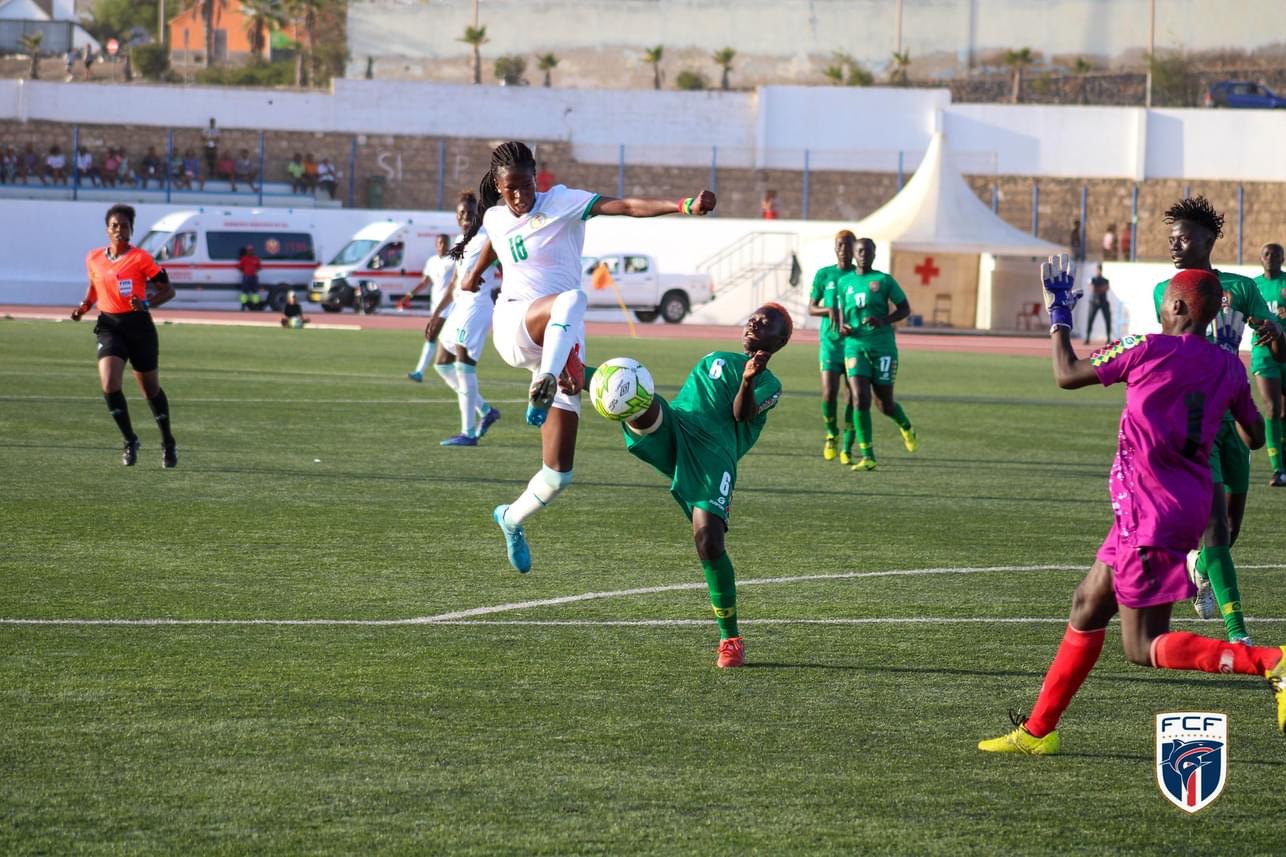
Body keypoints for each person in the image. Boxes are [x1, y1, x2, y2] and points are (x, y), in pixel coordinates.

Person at [978, 262, 1285, 755]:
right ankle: (1039, 731)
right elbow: (1251, 437)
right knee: (1087, 604)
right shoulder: (1229, 366)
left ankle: (1271, 663)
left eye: (1166, 300)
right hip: (1170, 505)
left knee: (1142, 646)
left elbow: (1066, 374)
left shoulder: (1146, 346)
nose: (1161, 306)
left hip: (1150, 513)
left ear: (1178, 307)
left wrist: (1060, 315)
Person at [453, 140, 715, 573]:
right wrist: (474, 275)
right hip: (517, 326)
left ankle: (511, 518)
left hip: (559, 344)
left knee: (558, 475)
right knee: (572, 299)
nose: (519, 196)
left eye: (525, 185)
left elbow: (626, 204)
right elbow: (495, 242)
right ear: (499, 189)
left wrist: (683, 204)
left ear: (537, 177)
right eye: (510, 189)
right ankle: (546, 382)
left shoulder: (565, 203)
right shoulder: (497, 217)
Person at [603, 303, 792, 668]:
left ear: (779, 340)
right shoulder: (716, 357)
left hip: (714, 455)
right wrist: (591, 375)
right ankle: (587, 379)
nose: (754, 321)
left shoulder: (770, 384)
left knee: (708, 542)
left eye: (765, 322)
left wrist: (750, 378)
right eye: (753, 316)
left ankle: (730, 639)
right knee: (633, 393)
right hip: (678, 426)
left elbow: (741, 414)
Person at [1151, 195, 1286, 644]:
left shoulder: (1241, 288)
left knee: (1230, 530)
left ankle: (1197, 566)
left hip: (1236, 411)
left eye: (1184, 237)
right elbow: (1174, 351)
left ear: (1209, 240)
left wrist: (1274, 333)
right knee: (1215, 529)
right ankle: (1238, 633)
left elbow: (1273, 338)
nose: (1175, 245)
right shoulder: (1165, 292)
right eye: (1171, 239)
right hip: (1197, 421)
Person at [70, 204, 179, 468]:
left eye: (125, 225)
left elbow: (168, 290)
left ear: (132, 230)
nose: (120, 230)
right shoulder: (93, 257)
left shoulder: (141, 258)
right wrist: (85, 305)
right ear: (107, 229)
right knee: (109, 384)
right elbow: (95, 286)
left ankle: (168, 443)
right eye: (115, 225)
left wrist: (147, 303)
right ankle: (130, 440)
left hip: (139, 328)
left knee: (150, 389)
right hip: (109, 326)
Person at [831, 237, 918, 471]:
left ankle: (906, 426)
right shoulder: (844, 282)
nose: (863, 254)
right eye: (859, 251)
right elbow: (841, 316)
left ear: (874, 254)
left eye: (867, 251)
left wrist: (884, 320)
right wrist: (843, 328)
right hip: (854, 346)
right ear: (854, 253)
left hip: (882, 347)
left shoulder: (883, 280)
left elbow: (905, 308)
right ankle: (868, 455)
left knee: (885, 403)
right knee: (860, 398)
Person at [431, 191, 503, 446]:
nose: (466, 218)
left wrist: (501, 289)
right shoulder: (460, 242)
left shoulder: (488, 240)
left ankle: (469, 433)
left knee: (463, 365)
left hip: (476, 307)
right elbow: (453, 283)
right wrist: (437, 314)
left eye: (471, 214)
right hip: (459, 308)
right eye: (462, 213)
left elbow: (508, 267)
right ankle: (485, 411)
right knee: (441, 363)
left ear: (478, 216)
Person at [809, 230, 858, 463]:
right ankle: (831, 435)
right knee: (829, 392)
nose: (844, 249)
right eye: (840, 245)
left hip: (853, 343)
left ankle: (848, 445)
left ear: (854, 248)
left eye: (848, 245)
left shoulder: (860, 276)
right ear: (835, 247)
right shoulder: (824, 274)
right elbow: (811, 307)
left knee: (853, 395)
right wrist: (828, 311)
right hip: (829, 343)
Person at [400, 233, 456, 380]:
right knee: (444, 339)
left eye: (445, 243)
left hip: (449, 306)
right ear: (435, 245)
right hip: (435, 306)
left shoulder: (453, 260)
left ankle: (419, 372)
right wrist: (410, 295)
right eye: (440, 243)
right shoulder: (432, 262)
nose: (442, 246)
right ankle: (454, 369)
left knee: (431, 335)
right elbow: (425, 282)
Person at [1253, 242, 1286, 487]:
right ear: (1260, 258)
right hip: (1263, 354)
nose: (1271, 257)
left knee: (1284, 412)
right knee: (1273, 408)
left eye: (1276, 254)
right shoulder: (1254, 286)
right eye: (1267, 253)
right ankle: (1277, 469)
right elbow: (1245, 314)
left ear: (1283, 258)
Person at [1083, 263, 1110, 343]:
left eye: (1100, 269)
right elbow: (1092, 289)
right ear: (1096, 270)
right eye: (1098, 269)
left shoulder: (1105, 280)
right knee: (1090, 320)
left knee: (1108, 320)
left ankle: (1108, 337)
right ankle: (1087, 337)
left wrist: (1098, 288)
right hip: (1094, 302)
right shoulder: (1093, 279)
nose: (1099, 271)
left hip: (1103, 302)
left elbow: (1106, 288)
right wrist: (1100, 288)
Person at [236, 245, 263, 310]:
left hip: (254, 277)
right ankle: (243, 306)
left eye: (251, 250)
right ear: (247, 251)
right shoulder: (244, 258)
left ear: (253, 251)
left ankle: (256, 306)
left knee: (255, 293)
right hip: (246, 277)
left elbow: (259, 267)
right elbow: (240, 267)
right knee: (244, 293)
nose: (250, 251)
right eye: (249, 250)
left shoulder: (256, 258)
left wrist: (253, 271)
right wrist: (245, 272)